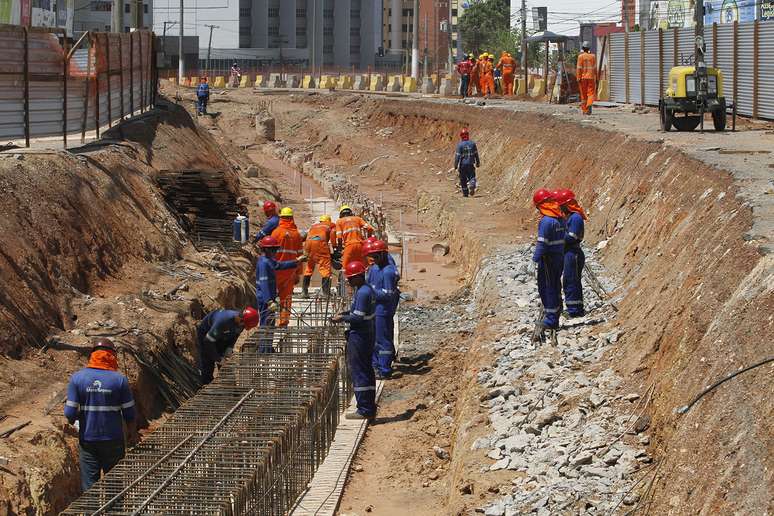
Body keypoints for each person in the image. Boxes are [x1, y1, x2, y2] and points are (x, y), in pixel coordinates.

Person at [65, 338, 135, 491]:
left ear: (92, 355)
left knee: (90, 488)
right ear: (112, 356)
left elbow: (69, 413)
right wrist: (132, 434)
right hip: (113, 440)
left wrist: (81, 418)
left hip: (88, 441)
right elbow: (129, 413)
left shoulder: (77, 378)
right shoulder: (120, 380)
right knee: (114, 487)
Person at [332, 261, 377, 420]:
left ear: (358, 277)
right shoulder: (365, 290)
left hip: (360, 335)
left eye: (351, 278)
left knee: (359, 371)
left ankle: (364, 409)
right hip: (366, 333)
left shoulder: (363, 293)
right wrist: (345, 312)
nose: (349, 281)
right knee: (366, 369)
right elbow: (357, 311)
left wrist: (341, 318)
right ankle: (369, 405)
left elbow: (357, 318)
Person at [255, 236, 308, 351]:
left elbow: (279, 265)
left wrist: (297, 261)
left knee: (270, 323)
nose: (276, 252)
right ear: (267, 249)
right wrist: (269, 301)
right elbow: (264, 283)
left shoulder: (268, 260)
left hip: (269, 296)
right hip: (265, 298)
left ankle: (267, 347)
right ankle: (264, 350)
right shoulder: (264, 263)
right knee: (266, 323)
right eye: (274, 249)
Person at [529, 188, 566, 345]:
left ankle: (551, 320)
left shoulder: (546, 221)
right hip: (559, 257)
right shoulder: (561, 218)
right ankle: (556, 311)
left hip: (548, 259)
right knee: (556, 285)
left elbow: (542, 243)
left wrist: (534, 259)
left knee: (547, 288)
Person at [197, 307, 259, 383]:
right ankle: (206, 384)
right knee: (208, 363)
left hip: (222, 335)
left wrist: (229, 349)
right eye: (244, 325)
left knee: (227, 366)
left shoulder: (241, 323)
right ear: (241, 320)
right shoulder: (223, 321)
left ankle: (228, 384)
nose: (243, 328)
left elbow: (235, 336)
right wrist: (219, 359)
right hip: (206, 335)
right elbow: (208, 342)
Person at [365, 240, 399, 379]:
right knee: (373, 340)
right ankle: (375, 366)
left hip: (382, 311)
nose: (373, 258)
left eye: (375, 255)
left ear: (383, 254)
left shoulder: (388, 272)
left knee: (382, 340)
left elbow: (389, 294)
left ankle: (384, 369)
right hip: (373, 309)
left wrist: (371, 292)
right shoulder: (374, 268)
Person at [556, 189, 588, 317]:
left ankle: (575, 311)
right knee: (569, 281)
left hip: (572, 253)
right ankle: (574, 308)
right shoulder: (569, 217)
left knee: (571, 281)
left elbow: (572, 237)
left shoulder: (575, 218)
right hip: (568, 253)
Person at [271, 207, 303, 327]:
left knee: (271, 297)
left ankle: (270, 321)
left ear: (281, 218)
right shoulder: (296, 234)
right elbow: (300, 255)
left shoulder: (276, 232)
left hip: (276, 270)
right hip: (290, 272)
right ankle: (283, 321)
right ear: (292, 218)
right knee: (286, 298)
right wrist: (298, 274)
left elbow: (269, 252)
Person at [303, 215, 334, 298]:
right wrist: (335, 248)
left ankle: (304, 292)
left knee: (309, 268)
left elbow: (305, 236)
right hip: (320, 244)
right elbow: (333, 236)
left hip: (308, 244)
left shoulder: (314, 226)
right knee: (325, 268)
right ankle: (326, 293)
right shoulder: (330, 225)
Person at [334, 205, 374, 270]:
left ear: (341, 214)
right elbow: (370, 228)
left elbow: (339, 237)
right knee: (364, 265)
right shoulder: (357, 218)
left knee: (345, 267)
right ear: (350, 212)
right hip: (360, 245)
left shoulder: (339, 221)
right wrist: (368, 240)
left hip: (349, 246)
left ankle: (346, 279)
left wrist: (340, 249)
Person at [454, 128, 480, 198]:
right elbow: (476, 154)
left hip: (463, 165)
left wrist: (455, 165)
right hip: (471, 164)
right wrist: (478, 162)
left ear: (461, 136)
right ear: (468, 135)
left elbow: (457, 156)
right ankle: (472, 184)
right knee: (472, 176)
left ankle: (465, 193)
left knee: (463, 179)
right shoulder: (472, 144)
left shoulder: (460, 145)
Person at [576, 42, 597, 115]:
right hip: (591, 77)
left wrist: (578, 77)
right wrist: (596, 77)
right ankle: (589, 105)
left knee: (583, 95)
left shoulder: (580, 57)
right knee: (591, 93)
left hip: (583, 78)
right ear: (589, 48)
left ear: (583, 48)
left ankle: (585, 110)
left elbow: (579, 68)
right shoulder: (593, 56)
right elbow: (595, 68)